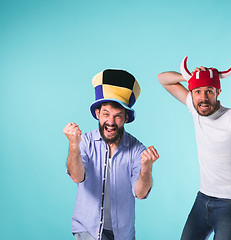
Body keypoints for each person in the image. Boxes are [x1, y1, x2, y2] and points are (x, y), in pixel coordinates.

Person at [158, 57, 231, 240]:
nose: (203, 98)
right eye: (197, 91)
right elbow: (163, 79)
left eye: (209, 91)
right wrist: (190, 77)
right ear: (192, 93)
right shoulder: (196, 108)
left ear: (218, 92)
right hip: (203, 198)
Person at [63, 69, 159, 240]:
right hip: (87, 229)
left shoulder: (137, 149)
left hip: (122, 233)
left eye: (118, 116)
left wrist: (146, 167)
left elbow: (141, 193)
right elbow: (77, 177)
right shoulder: (84, 142)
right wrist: (73, 144)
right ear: (98, 114)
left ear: (126, 118)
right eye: (106, 114)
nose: (111, 122)